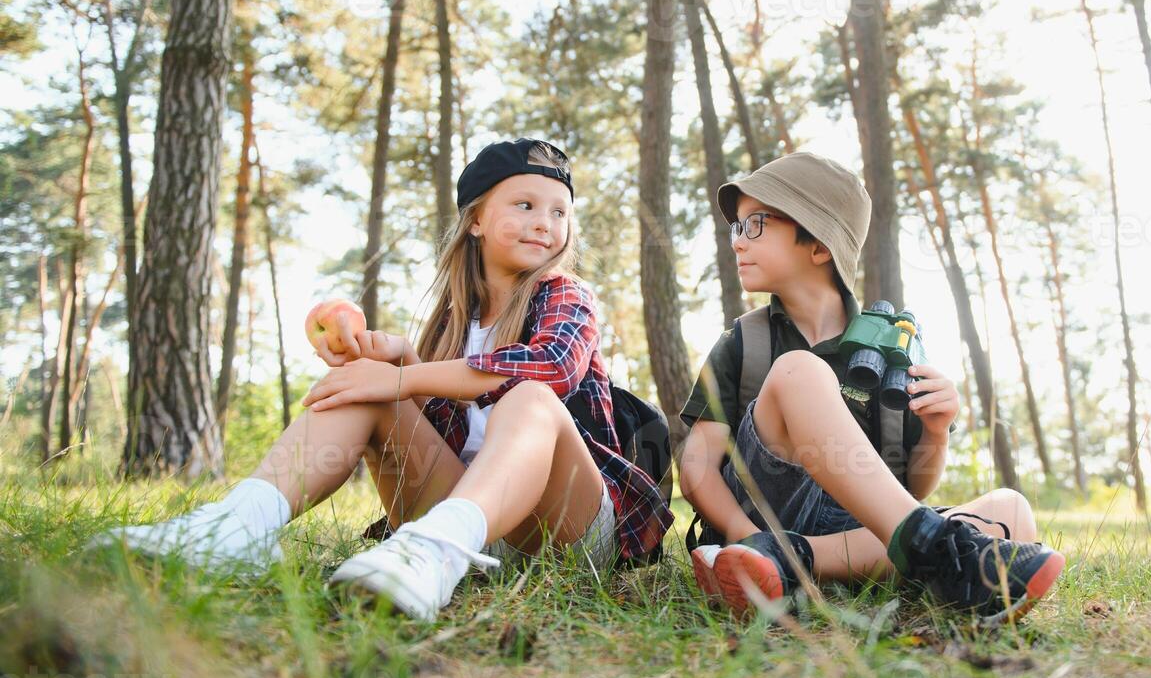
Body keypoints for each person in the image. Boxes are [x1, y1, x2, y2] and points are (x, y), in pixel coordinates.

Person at [93, 139, 671, 621]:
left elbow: (552, 367)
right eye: (524, 204)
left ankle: (433, 552)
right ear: (475, 220)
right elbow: (442, 418)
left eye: (559, 211)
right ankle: (237, 528)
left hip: (564, 531)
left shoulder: (565, 295)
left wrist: (403, 378)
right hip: (472, 525)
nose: (544, 223)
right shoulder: (452, 321)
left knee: (529, 398)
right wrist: (390, 364)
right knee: (365, 384)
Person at [678, 152, 1065, 623]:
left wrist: (936, 432)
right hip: (761, 514)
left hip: (847, 533)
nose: (738, 243)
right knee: (799, 371)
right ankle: (922, 552)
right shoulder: (746, 340)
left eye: (755, 224)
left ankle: (793, 563)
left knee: (1013, 509)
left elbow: (908, 488)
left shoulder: (887, 353)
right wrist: (744, 535)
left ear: (819, 245)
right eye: (737, 228)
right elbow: (697, 467)